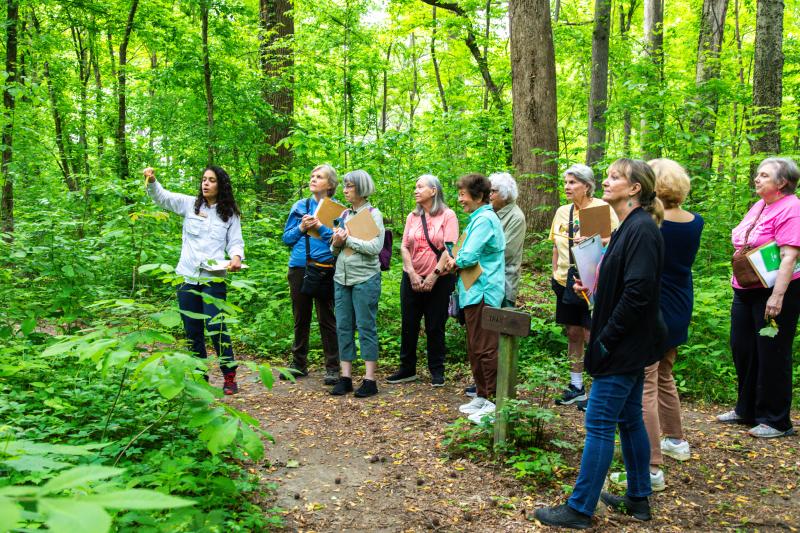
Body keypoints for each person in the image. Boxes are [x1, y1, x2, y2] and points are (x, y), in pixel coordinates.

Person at [535, 159, 666, 529]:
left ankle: (579, 509)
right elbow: (624, 281)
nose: (605, 182)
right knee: (628, 420)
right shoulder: (629, 226)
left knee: (598, 422)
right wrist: (594, 287)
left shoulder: (641, 229)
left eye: (613, 177)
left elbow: (639, 294)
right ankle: (638, 498)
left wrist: (606, 339)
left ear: (635, 188)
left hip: (623, 344)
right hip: (630, 342)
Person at [609, 159, 704, 492]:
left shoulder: (652, 222)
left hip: (654, 306)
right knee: (664, 374)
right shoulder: (695, 221)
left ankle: (651, 468)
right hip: (680, 304)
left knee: (646, 382)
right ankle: (676, 440)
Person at [717, 157, 800, 438]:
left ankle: (776, 420)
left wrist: (777, 297)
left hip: (774, 291)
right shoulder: (761, 204)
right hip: (745, 289)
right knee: (743, 348)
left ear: (782, 183)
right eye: (758, 174)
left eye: (764, 175)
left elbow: (790, 256)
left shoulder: (792, 208)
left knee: (772, 352)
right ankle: (747, 409)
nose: (757, 178)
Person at [144, 166, 244, 395]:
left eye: (211, 180)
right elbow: (163, 198)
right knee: (192, 329)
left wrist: (236, 257)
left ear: (221, 185)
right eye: (203, 179)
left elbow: (236, 242)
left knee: (216, 325)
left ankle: (229, 375)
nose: (205, 184)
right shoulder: (190, 204)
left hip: (213, 278)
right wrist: (152, 181)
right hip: (187, 276)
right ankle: (200, 377)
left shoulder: (230, 214)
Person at [548, 164, 618, 407]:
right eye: (566, 182)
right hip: (565, 281)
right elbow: (556, 245)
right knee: (573, 332)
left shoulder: (601, 208)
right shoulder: (562, 211)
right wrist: (554, 272)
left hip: (592, 282)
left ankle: (599, 387)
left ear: (587, 186)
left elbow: (617, 239)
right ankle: (576, 386)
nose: (567, 187)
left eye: (572, 183)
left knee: (592, 333)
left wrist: (594, 238)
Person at [443, 173, 505, 424]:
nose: (460, 199)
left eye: (463, 194)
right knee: (474, 346)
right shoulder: (476, 220)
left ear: (478, 196)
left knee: (486, 347)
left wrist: (453, 261)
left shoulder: (485, 220)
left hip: (484, 291)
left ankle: (494, 400)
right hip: (471, 291)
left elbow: (466, 256)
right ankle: (482, 394)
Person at [386, 175, 458, 387]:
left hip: (440, 280)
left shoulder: (448, 215)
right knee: (409, 323)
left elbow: (450, 247)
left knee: (435, 325)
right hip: (412, 278)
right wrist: (412, 273)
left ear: (433, 191)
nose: (415, 191)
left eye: (420, 187)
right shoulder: (413, 216)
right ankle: (407, 368)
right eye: (415, 187)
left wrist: (434, 275)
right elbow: (404, 246)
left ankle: (437, 370)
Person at [463, 171, 526, 399]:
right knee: (477, 343)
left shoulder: (513, 217)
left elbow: (504, 251)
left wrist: (463, 256)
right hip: (477, 283)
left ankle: (494, 395)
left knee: (489, 343)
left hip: (497, 284)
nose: (491, 194)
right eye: (489, 191)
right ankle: (483, 393)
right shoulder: (489, 215)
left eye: (494, 191)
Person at [281, 164, 341, 385]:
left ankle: (333, 368)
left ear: (330, 184)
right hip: (299, 267)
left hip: (325, 268)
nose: (314, 179)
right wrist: (301, 228)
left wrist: (321, 227)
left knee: (327, 318)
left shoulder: (338, 211)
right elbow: (286, 239)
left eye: (320, 177)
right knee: (300, 316)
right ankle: (298, 364)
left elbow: (339, 242)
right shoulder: (300, 206)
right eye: (312, 176)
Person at [329, 170, 386, 398]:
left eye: (349, 186)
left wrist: (348, 239)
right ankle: (346, 377)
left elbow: (375, 248)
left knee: (365, 327)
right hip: (341, 279)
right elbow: (334, 249)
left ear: (361, 188)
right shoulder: (344, 214)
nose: (344, 190)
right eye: (344, 186)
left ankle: (370, 380)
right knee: (343, 327)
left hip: (365, 278)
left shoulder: (373, 214)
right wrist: (336, 242)